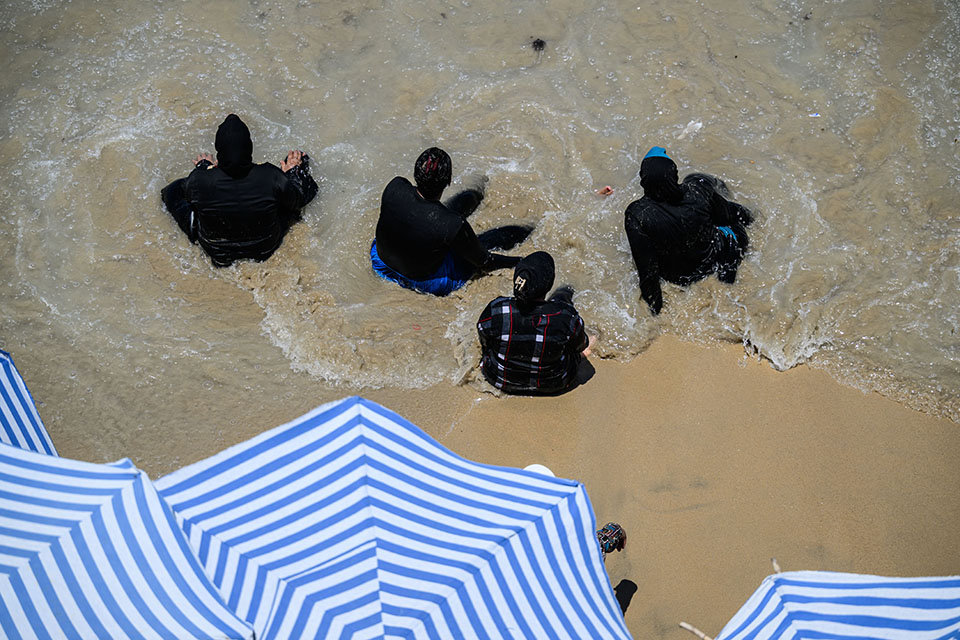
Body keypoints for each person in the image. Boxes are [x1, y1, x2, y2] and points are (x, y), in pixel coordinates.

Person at [161, 114, 318, 267]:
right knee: (299, 166)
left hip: (218, 254)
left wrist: (204, 167)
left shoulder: (200, 179)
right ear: (248, 147)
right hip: (265, 249)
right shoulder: (271, 176)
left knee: (173, 190)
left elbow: (182, 193)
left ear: (219, 150)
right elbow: (300, 198)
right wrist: (291, 172)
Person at [371, 147, 532, 296]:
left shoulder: (395, 186)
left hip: (381, 263)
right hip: (423, 282)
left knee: (457, 208)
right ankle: (530, 226)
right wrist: (520, 262)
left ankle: (476, 193)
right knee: (485, 241)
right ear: (447, 182)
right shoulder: (453, 224)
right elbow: (485, 262)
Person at [624, 146, 754, 315]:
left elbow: (647, 268)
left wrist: (655, 309)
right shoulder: (696, 191)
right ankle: (727, 282)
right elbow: (728, 216)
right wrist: (750, 217)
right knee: (699, 180)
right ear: (674, 175)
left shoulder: (636, 214)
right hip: (709, 263)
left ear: (643, 180)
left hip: (676, 276)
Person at [477, 251, 596, 395]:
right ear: (549, 283)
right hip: (554, 383)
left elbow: (484, 338)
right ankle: (568, 288)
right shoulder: (565, 315)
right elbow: (578, 346)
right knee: (586, 340)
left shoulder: (496, 310)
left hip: (501, 380)